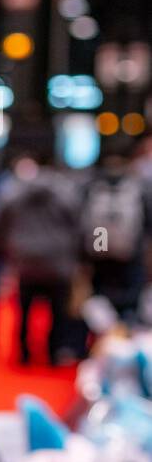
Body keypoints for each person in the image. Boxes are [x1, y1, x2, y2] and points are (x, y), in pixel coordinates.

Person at [0, 153, 82, 366]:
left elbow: (0, 219)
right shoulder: (66, 190)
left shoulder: (15, 189)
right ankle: (53, 353)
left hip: (26, 258)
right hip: (58, 259)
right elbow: (78, 222)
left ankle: (23, 352)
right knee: (56, 311)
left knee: (24, 309)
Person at [79, 136, 152, 325]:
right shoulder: (138, 184)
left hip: (99, 251)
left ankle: (103, 342)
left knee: (99, 301)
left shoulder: (92, 184)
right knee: (130, 305)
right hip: (129, 254)